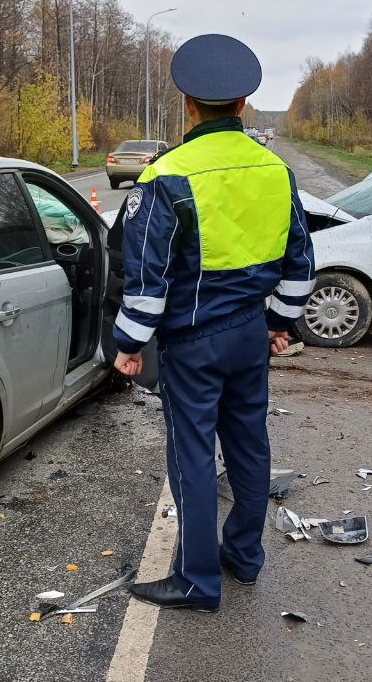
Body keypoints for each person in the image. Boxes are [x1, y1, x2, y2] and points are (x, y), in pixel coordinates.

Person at [112, 33, 315, 612]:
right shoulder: (275, 170)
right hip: (251, 334)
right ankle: (245, 558)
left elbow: (146, 278)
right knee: (251, 444)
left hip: (194, 342)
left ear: (188, 104)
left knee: (193, 454)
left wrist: (128, 342)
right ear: (245, 105)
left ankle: (198, 581)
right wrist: (281, 322)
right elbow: (300, 261)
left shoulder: (166, 176)